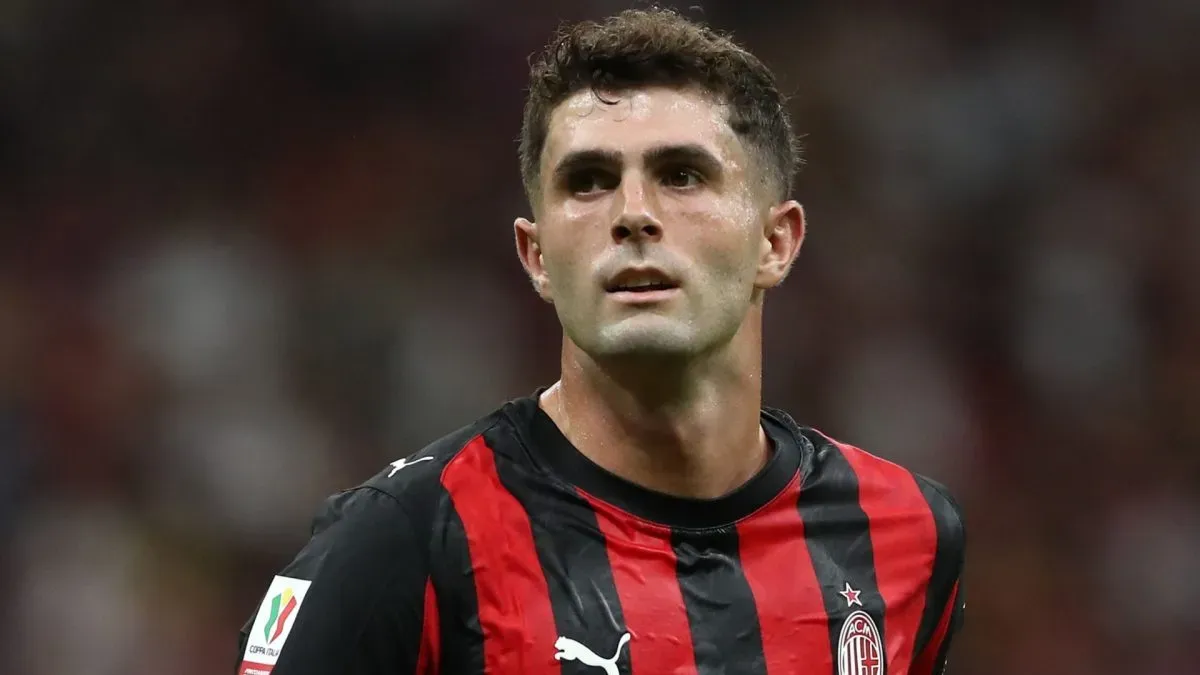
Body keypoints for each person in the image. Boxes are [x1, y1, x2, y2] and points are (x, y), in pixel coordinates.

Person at [235, 8, 966, 675]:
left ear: (776, 241)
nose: (634, 214)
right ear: (538, 256)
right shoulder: (408, 538)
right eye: (588, 181)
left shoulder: (904, 534)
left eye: (681, 175)